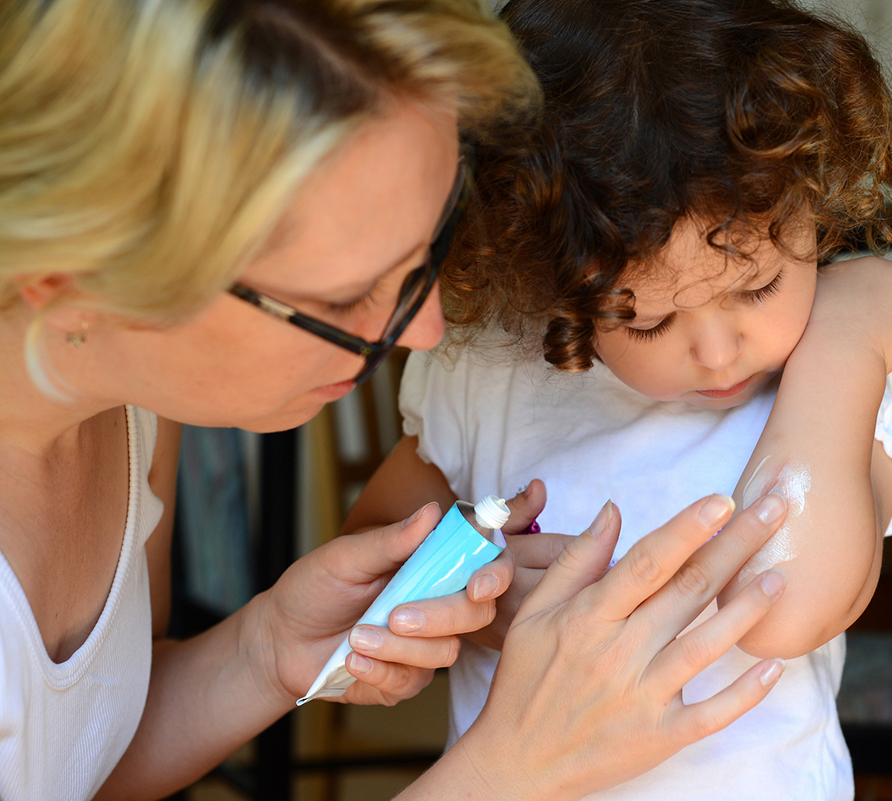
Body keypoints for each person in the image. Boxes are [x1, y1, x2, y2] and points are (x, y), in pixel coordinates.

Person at [0, 1, 795, 799]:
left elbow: (81, 766)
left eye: (425, 256)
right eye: (348, 295)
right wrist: (507, 772)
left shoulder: (131, 406)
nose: (426, 331)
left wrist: (266, 650)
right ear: (70, 267)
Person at [344, 0, 892, 798]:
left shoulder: (847, 387)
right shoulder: (492, 375)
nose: (716, 348)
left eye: (759, 285)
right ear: (555, 277)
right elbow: (365, 565)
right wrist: (478, 599)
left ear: (815, 207)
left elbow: (788, 604)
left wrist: (844, 342)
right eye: (649, 318)